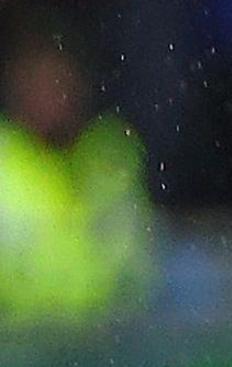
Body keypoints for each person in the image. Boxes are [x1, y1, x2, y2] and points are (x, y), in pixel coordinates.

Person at [0, 26, 151, 330]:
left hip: (102, 340)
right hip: (17, 343)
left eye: (59, 82)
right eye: (39, 83)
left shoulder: (111, 154)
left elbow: (134, 265)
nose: (51, 98)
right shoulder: (5, 157)